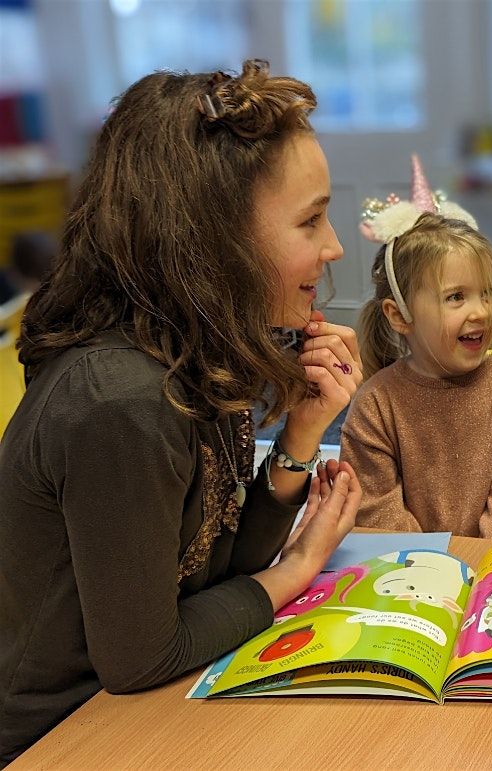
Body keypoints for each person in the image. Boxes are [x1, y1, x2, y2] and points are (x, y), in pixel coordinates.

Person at [0, 60, 365, 764]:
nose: (334, 246)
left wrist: (300, 440)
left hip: (139, 710)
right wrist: (297, 568)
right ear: (215, 237)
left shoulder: (202, 350)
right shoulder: (121, 400)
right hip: (56, 740)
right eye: (310, 219)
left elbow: (213, 570)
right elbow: (142, 656)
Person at [340, 155, 492, 539]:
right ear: (399, 315)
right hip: (408, 580)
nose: (481, 311)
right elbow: (378, 517)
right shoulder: (374, 406)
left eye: (487, 293)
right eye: (456, 297)